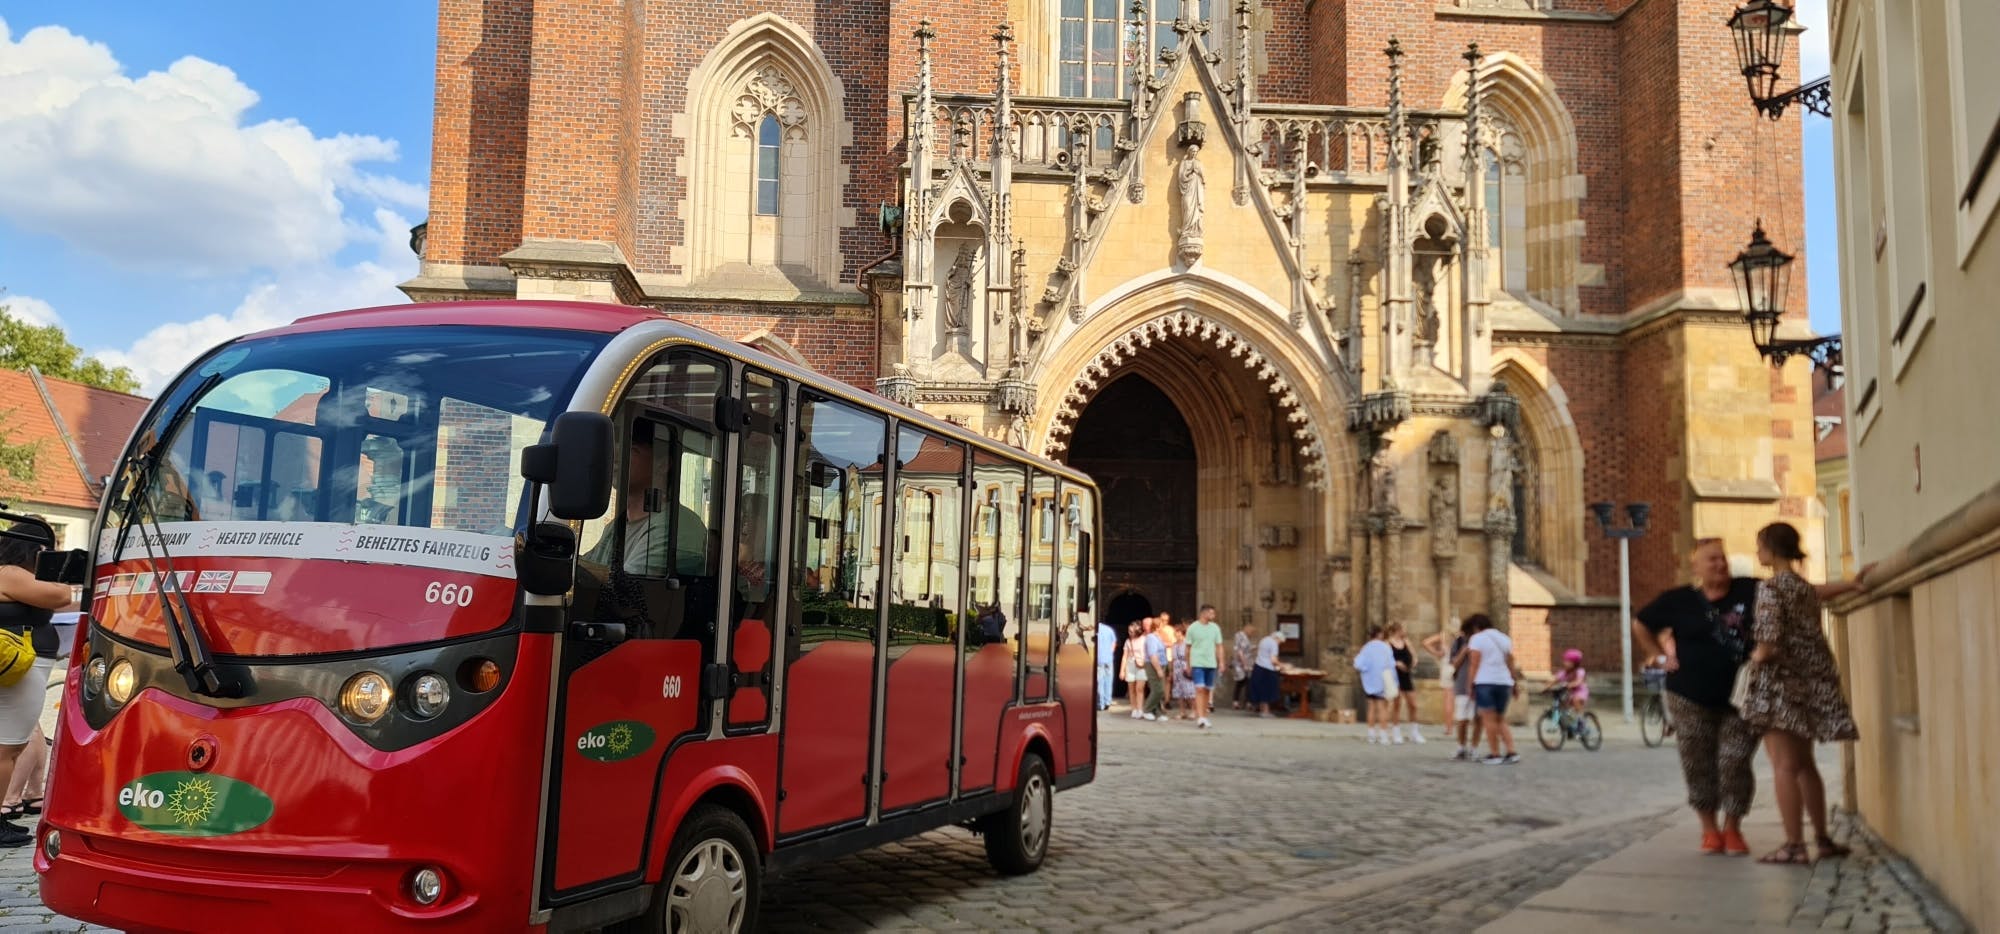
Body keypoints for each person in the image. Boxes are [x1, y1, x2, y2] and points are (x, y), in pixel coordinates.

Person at [1740, 522, 1865, 865]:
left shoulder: (1769, 589)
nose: (1757, 552)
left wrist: (1752, 657)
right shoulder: (1799, 586)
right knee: (1806, 765)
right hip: (1811, 683)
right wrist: (1851, 584)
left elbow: (1767, 643)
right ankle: (1822, 839)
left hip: (1780, 686)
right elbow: (1819, 592)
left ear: (1771, 549)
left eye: (1759, 545)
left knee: (1784, 766)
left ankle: (1794, 845)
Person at [0, 520, 68, 848]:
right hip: (16, 670)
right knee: (7, 747)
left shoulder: (11, 573)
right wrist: (54, 567)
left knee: (11, 744)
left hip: (21, 669)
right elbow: (62, 594)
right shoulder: (11, 573)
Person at [1463, 614, 1521, 765]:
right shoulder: (1504, 638)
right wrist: (1515, 683)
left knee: (1488, 719)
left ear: (1475, 627)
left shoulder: (1477, 639)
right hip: (1504, 682)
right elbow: (1510, 663)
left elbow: (1474, 664)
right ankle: (1511, 751)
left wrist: (1469, 685)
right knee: (1500, 719)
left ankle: (1495, 754)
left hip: (1485, 681)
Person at [1425, 618, 1484, 760]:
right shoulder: (1459, 641)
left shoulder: (1482, 642)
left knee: (1478, 718)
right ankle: (1461, 747)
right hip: (1463, 684)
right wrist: (1464, 652)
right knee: (1462, 718)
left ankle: (1474, 748)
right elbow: (1454, 663)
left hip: (1481, 683)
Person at [1353, 627, 1396, 743]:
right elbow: (1391, 664)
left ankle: (1371, 734)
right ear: (1379, 634)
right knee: (1382, 708)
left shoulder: (1366, 648)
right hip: (1382, 680)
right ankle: (1383, 735)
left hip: (1370, 681)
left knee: (1371, 707)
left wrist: (1366, 670)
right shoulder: (1385, 647)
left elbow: (1358, 664)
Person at [1184, 604, 1224, 729]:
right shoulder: (1193, 628)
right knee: (1199, 689)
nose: (1214, 616)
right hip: (1197, 662)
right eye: (1212, 613)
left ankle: (1205, 715)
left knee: (1207, 689)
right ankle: (1200, 716)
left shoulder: (1215, 628)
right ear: (1204, 613)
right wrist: (1188, 664)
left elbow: (1219, 646)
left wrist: (1221, 662)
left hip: (1211, 663)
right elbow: (1188, 648)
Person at [1386, 623, 1425, 744]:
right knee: (1397, 704)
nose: (1405, 631)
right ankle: (1396, 732)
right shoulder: (1388, 643)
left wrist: (1412, 663)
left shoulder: (1406, 641)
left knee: (1413, 704)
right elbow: (1387, 659)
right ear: (1397, 630)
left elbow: (1414, 656)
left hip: (1406, 675)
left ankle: (1414, 732)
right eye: (1403, 629)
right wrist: (1397, 663)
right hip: (1396, 675)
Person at [1249, 625, 1283, 718]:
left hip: (1258, 666)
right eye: (1280, 641)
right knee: (1267, 691)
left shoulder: (1264, 639)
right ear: (1277, 638)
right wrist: (1282, 665)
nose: (1280, 643)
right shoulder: (1274, 644)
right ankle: (1266, 711)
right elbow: (1273, 660)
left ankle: (1261, 709)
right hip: (1267, 669)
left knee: (1261, 690)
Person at [1141, 616, 1170, 722]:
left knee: (1159, 690)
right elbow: (1153, 655)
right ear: (1158, 627)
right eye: (1162, 625)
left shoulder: (1158, 637)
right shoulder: (1151, 638)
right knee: (1158, 690)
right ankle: (1147, 709)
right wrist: (1158, 669)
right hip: (1154, 666)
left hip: (1161, 664)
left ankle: (1157, 711)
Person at [1169, 621, 1195, 720]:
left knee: (1190, 691)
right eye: (1175, 632)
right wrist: (1171, 671)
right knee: (1179, 692)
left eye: (1177, 632)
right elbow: (1172, 659)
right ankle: (1182, 711)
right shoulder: (1174, 645)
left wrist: (1190, 667)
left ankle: (1193, 710)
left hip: (1185, 667)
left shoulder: (1187, 644)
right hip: (1177, 669)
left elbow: (1191, 656)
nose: (1175, 634)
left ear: (1181, 632)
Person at [1551, 648, 1589, 714]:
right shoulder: (1563, 673)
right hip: (1569, 692)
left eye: (1568, 662)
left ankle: (1580, 716)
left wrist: (1570, 685)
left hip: (1580, 691)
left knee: (1575, 699)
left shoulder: (1579, 671)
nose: (1565, 663)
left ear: (1575, 663)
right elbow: (1554, 681)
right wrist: (1545, 688)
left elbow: (1579, 681)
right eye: (1565, 661)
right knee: (1561, 701)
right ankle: (1566, 717)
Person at [1124, 621, 1148, 718]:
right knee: (1131, 688)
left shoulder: (1144, 640)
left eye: (1132, 631)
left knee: (1140, 688)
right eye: (1129, 631)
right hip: (1130, 665)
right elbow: (1124, 656)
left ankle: (1140, 708)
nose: (1130, 633)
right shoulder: (1128, 641)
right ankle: (1134, 709)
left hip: (1142, 665)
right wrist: (1122, 670)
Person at [1230, 622, 1256, 710]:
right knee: (1241, 682)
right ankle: (1238, 702)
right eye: (1251, 631)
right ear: (1247, 628)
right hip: (1241, 664)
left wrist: (1254, 647)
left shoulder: (1246, 638)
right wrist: (1244, 664)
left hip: (1246, 663)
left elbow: (1246, 649)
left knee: (1247, 682)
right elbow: (1240, 651)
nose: (1252, 633)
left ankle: (1246, 702)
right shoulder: (1240, 636)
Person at [1096, 617, 1119, 712]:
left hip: (1099, 659)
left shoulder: (1095, 631)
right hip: (1108, 658)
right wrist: (1110, 652)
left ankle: (1100, 704)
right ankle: (1107, 701)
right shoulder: (1109, 630)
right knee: (1108, 680)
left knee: (1100, 682)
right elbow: (1114, 643)